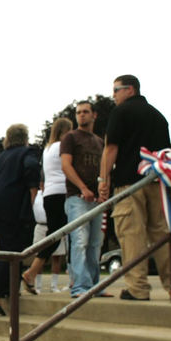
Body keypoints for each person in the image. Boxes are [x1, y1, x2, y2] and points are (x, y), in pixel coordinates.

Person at [98, 76, 171, 301]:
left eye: (116, 90)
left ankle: (137, 287)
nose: (114, 95)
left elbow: (111, 148)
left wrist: (103, 179)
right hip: (157, 181)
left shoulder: (121, 112)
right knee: (161, 235)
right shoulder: (158, 116)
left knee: (131, 235)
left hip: (129, 183)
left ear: (130, 89)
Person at [0, 124, 41, 316]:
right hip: (10, 207)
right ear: (25, 137)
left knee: (8, 247)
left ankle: (6, 289)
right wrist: (32, 193)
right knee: (13, 250)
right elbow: (31, 168)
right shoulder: (27, 152)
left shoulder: (0, 157)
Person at [62, 102, 110, 298]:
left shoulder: (100, 142)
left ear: (94, 115)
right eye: (78, 112)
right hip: (77, 197)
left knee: (95, 243)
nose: (81, 115)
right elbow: (66, 165)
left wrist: (105, 191)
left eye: (85, 112)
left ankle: (93, 285)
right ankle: (80, 286)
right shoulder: (70, 137)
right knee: (80, 241)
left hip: (97, 199)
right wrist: (83, 187)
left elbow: (106, 169)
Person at [21, 117, 72, 294]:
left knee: (54, 234)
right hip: (61, 193)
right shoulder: (61, 147)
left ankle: (32, 272)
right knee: (60, 235)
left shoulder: (48, 149)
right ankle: (31, 272)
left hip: (49, 194)